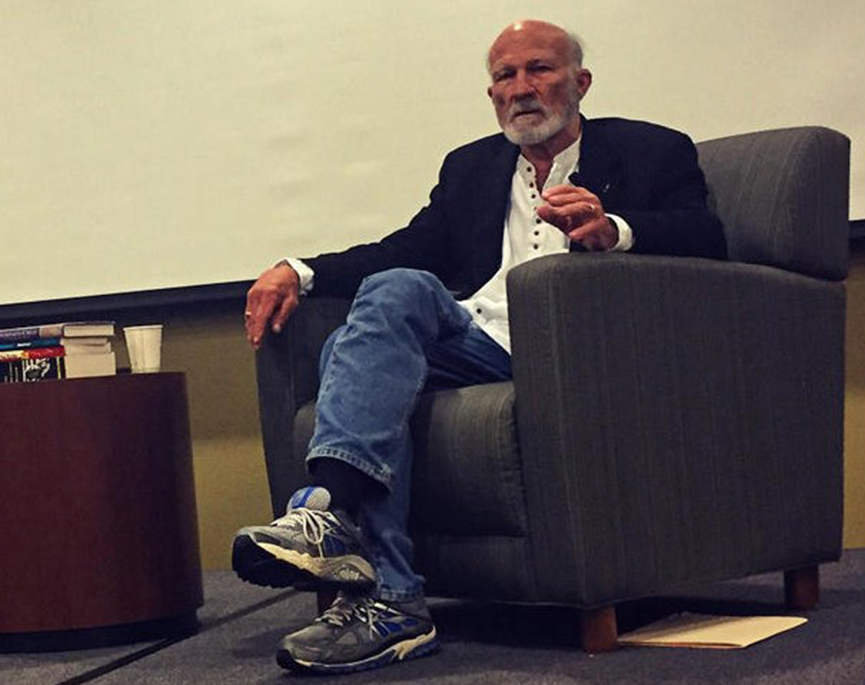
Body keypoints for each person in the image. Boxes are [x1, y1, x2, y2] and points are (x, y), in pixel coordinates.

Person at [232, 18, 727, 675]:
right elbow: (405, 249)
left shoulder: (649, 151)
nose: (522, 87)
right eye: (504, 76)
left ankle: (344, 533)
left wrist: (615, 228)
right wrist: (300, 269)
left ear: (580, 83)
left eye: (539, 70)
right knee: (387, 301)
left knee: (350, 357)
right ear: (491, 95)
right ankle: (383, 587)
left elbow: (706, 234)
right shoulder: (471, 168)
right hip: (477, 336)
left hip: (567, 347)